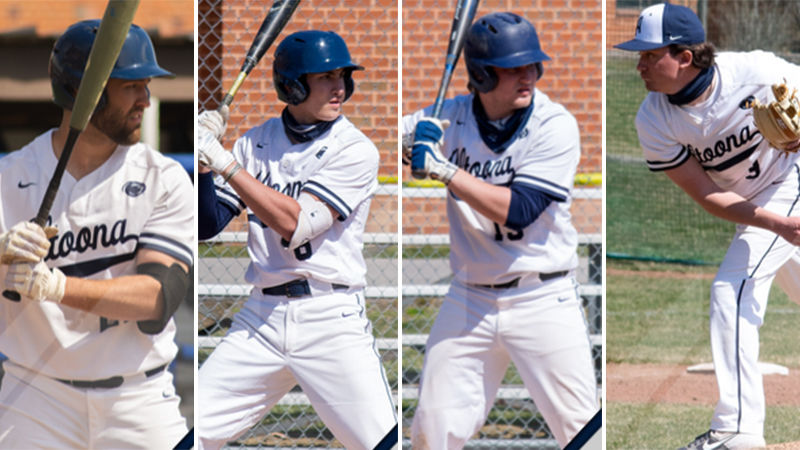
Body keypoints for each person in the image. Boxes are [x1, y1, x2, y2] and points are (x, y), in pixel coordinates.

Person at [404, 12, 599, 449]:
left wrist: (443, 169)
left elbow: (520, 210)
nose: (527, 76)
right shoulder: (449, 117)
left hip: (542, 296)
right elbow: (395, 140)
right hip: (470, 297)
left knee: (583, 430)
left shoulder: (554, 123)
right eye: (513, 68)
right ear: (479, 75)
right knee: (432, 429)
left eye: (532, 65)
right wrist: (413, 142)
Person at [195, 30, 398, 450]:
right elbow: (206, 225)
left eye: (342, 75)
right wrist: (202, 167)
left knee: (381, 444)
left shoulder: (355, 149)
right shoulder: (254, 142)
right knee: (187, 433)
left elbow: (297, 223)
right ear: (292, 85)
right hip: (262, 318)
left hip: (330, 317)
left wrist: (224, 162)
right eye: (324, 77)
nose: (339, 86)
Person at [614, 3, 800, 449]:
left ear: (685, 56)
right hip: (763, 207)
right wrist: (778, 224)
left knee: (731, 292)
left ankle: (737, 430)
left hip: (793, 177)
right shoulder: (654, 118)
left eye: (649, 53)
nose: (638, 63)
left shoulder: (758, 72)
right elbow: (706, 194)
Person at [0, 20, 193, 448]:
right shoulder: (9, 176)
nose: (146, 99)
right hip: (34, 395)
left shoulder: (164, 178)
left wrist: (55, 286)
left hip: (138, 397)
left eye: (146, 85)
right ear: (80, 92)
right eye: (131, 86)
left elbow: (160, 297)